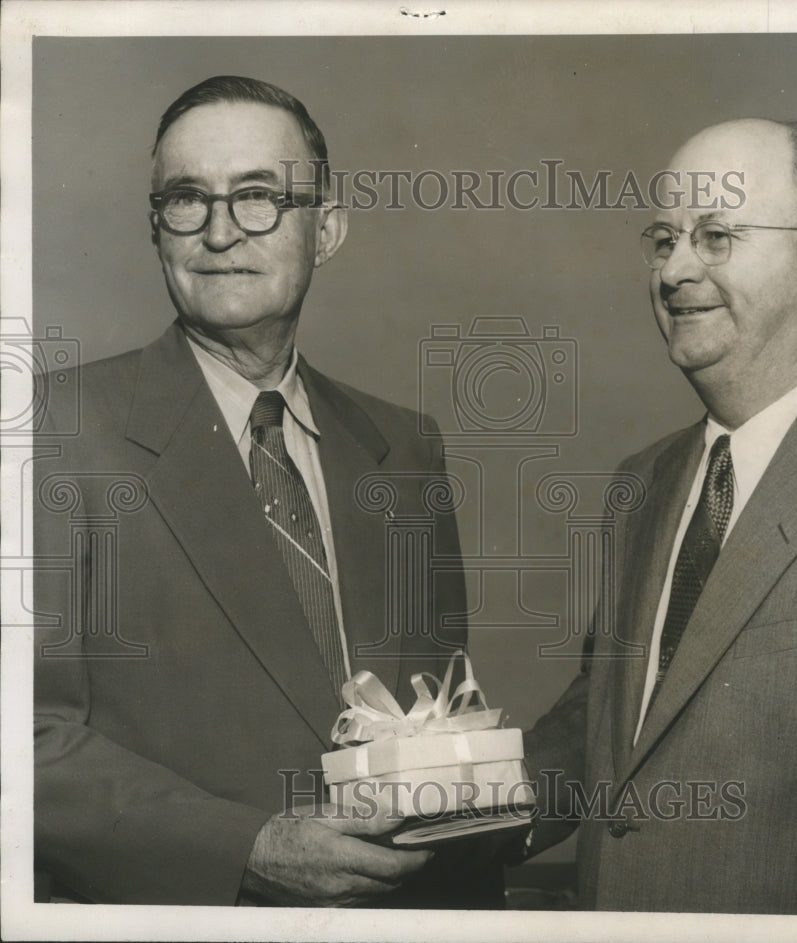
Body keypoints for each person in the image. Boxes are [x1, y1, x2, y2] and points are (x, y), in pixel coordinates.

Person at [33, 75, 500, 908]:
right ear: (156, 230)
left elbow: (435, 725)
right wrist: (244, 847)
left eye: (258, 197)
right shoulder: (53, 431)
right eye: (186, 199)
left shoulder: (404, 451)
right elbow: (21, 739)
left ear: (327, 230)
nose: (219, 231)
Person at [522, 118, 797, 915]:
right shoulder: (643, 482)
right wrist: (451, 797)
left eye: (717, 235)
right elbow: (618, 721)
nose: (675, 270)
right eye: (664, 239)